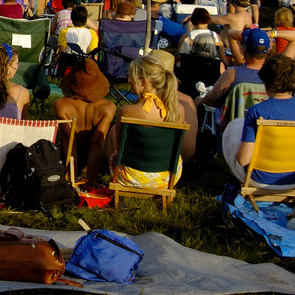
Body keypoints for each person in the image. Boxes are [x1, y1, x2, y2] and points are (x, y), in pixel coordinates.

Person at [106, 54, 187, 190]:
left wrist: (115, 154)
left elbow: (121, 149)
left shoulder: (127, 111)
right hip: (167, 177)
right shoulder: (178, 110)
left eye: (130, 76)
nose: (128, 80)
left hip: (133, 178)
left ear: (143, 82)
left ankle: (111, 177)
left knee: (112, 130)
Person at [223, 54, 295, 186]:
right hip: (292, 180)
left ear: (265, 82)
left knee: (235, 126)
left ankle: (231, 184)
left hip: (259, 179)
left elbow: (243, 160)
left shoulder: (257, 111)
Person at [54, 59, 116, 186]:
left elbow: (69, 141)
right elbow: (97, 142)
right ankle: (91, 180)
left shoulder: (61, 105)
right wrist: (92, 181)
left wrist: (70, 177)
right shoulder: (108, 107)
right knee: (98, 141)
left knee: (68, 140)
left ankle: (70, 177)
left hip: (68, 160)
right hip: (94, 161)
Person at [197, 28, 271, 109]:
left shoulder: (231, 74)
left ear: (245, 49)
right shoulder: (275, 75)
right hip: (266, 119)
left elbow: (210, 101)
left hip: (236, 120)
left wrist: (199, 100)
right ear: (268, 50)